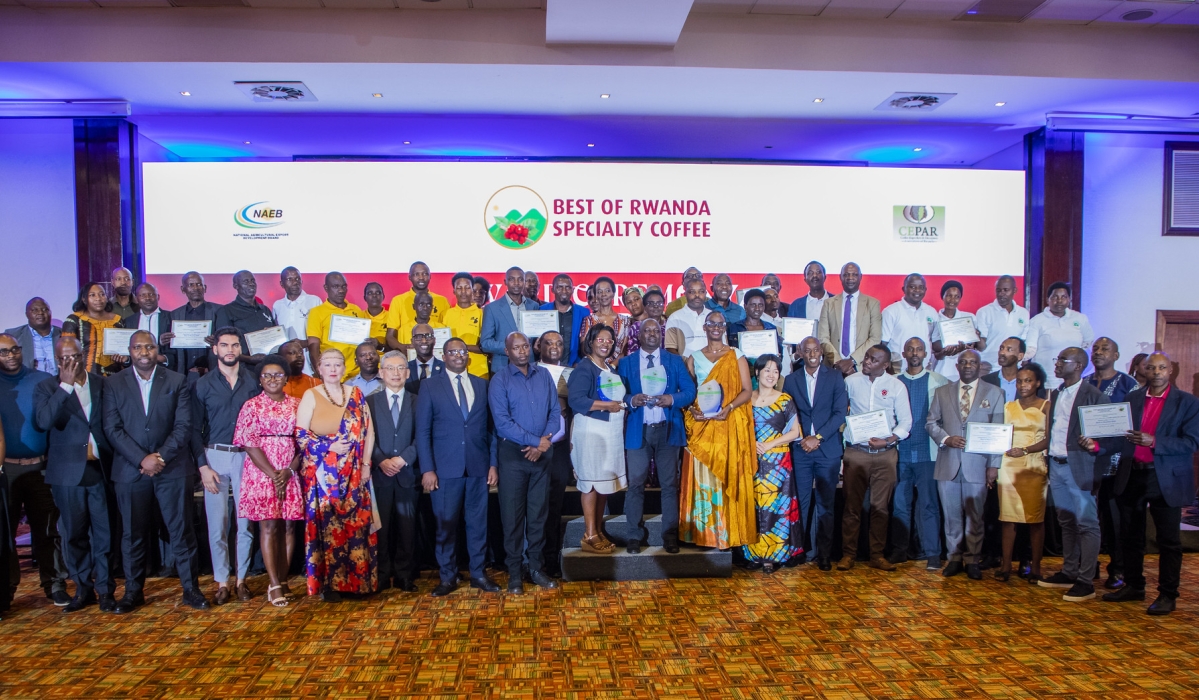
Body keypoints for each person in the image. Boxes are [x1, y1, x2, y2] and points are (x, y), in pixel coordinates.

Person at [102, 330, 207, 613]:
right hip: (130, 471)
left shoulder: (177, 380)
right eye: (138, 347)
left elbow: (184, 426)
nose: (144, 352)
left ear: (157, 349)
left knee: (182, 531)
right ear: (130, 351)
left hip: (171, 468)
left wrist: (158, 456)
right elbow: (112, 429)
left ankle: (191, 589)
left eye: (149, 347)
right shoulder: (113, 384)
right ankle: (133, 592)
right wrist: (141, 459)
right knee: (132, 535)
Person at [1104, 352, 1199, 616]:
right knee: (1131, 536)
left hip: (1164, 477)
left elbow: (1192, 442)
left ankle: (1168, 595)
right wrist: (1097, 445)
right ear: (1143, 370)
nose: (1156, 372)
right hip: (1132, 473)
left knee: (1168, 540)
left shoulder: (1188, 402)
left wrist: (1153, 441)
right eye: (1151, 368)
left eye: (1161, 368)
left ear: (1171, 370)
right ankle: (1134, 586)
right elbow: (1120, 437)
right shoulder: (1131, 398)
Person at [34, 337, 116, 612]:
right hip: (68, 475)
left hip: (100, 470)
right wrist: (65, 386)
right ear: (57, 361)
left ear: (84, 356)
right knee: (74, 535)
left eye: (76, 356)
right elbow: (44, 422)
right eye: (65, 358)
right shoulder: (46, 387)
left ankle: (105, 590)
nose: (71, 362)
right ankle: (83, 589)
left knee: (103, 534)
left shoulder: (102, 383)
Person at [415, 338, 498, 596]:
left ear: (468, 357)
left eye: (463, 351)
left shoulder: (482, 386)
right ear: (444, 355)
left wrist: (493, 464)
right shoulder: (429, 386)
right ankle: (448, 577)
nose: (459, 355)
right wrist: (427, 469)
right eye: (453, 352)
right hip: (444, 470)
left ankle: (478, 574)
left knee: (477, 525)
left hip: (477, 467)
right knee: (446, 525)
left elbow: (491, 431)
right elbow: (423, 431)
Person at [295, 349, 377, 601]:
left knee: (356, 525)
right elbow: (300, 434)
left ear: (344, 368)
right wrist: (328, 446)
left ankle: (358, 583)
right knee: (328, 526)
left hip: (355, 473)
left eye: (338, 364)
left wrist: (365, 465)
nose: (333, 368)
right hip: (323, 475)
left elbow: (369, 432)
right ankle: (331, 585)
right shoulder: (311, 395)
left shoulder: (356, 394)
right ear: (319, 368)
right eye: (327, 364)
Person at [191, 327, 259, 605]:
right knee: (217, 524)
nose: (229, 349)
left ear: (240, 349)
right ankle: (222, 581)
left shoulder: (253, 382)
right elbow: (194, 429)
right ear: (215, 349)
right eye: (224, 345)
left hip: (245, 456)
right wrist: (202, 467)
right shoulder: (202, 384)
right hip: (214, 457)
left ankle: (242, 580)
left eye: (234, 345)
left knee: (244, 524)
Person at [489, 332, 561, 593]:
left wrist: (542, 443)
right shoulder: (499, 380)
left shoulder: (543, 376)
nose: (522, 351)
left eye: (525, 346)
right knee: (513, 517)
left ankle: (536, 568)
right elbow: (502, 423)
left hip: (542, 458)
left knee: (538, 516)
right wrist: (534, 441)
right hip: (513, 457)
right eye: (515, 347)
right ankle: (515, 573)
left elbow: (555, 413)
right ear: (506, 352)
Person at [617, 319, 697, 554]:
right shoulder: (626, 363)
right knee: (636, 485)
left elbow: (690, 392)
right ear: (639, 336)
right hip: (638, 430)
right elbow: (618, 394)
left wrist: (672, 399)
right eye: (646, 330)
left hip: (667, 429)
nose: (651, 334)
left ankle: (669, 535)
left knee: (670, 485)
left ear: (660, 335)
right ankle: (633, 536)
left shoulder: (674, 361)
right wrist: (632, 399)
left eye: (655, 330)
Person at [0, 333, 69, 604]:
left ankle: (55, 585)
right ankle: (5, 592)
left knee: (49, 531)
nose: (11, 355)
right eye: (4, 352)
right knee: (5, 536)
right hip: (6, 471)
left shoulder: (41, 380)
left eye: (15, 349)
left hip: (41, 467)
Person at [1037, 346, 1109, 602]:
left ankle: (1086, 580)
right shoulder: (1055, 393)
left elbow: (1110, 434)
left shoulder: (1093, 395)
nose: (1056, 364)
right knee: (1066, 521)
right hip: (1056, 464)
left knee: (1087, 524)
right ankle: (1069, 571)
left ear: (1078, 365)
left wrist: (1097, 445)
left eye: (1061, 360)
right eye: (1056, 359)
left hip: (1080, 466)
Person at [927, 349, 1006, 580]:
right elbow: (931, 422)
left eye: (973, 362)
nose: (968, 365)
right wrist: (945, 438)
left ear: (980, 366)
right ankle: (954, 558)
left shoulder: (995, 392)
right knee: (951, 516)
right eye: (964, 362)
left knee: (976, 515)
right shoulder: (942, 392)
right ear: (957, 366)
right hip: (948, 462)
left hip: (978, 464)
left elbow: (998, 431)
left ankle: (972, 559)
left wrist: (994, 466)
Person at [680, 310, 757, 549]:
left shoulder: (736, 356)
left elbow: (746, 390)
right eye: (711, 323)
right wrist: (692, 409)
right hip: (703, 425)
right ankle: (704, 535)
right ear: (704, 328)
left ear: (725, 328)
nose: (715, 327)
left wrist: (730, 407)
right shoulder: (693, 357)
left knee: (725, 475)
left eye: (720, 324)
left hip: (726, 424)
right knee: (704, 477)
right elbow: (689, 391)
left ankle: (725, 533)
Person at [232, 355, 303, 608]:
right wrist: (274, 474)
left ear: (286, 378)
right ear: (260, 379)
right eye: (267, 375)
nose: (273, 379)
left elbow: (303, 443)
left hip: (290, 471)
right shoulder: (251, 406)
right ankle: (273, 583)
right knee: (270, 527)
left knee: (289, 527)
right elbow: (249, 443)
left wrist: (289, 471)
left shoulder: (297, 404)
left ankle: (284, 580)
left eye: (278, 375)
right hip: (262, 473)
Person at [839, 344, 911, 572]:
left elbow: (906, 422)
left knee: (880, 507)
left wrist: (889, 440)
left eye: (873, 360)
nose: (867, 361)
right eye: (867, 357)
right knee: (851, 507)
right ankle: (848, 555)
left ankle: (877, 555)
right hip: (856, 453)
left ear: (886, 365)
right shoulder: (850, 382)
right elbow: (841, 411)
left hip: (885, 455)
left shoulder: (896, 386)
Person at [781, 336, 847, 570]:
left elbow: (839, 413)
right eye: (806, 350)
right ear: (800, 352)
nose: (811, 354)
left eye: (815, 350)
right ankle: (801, 551)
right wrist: (802, 438)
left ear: (821, 352)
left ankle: (824, 554)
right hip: (800, 451)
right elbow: (789, 414)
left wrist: (816, 438)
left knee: (826, 504)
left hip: (826, 449)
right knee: (801, 503)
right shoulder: (791, 380)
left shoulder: (835, 377)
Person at [567, 324, 626, 553]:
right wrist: (607, 405)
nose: (605, 343)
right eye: (600, 339)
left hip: (609, 434)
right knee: (591, 484)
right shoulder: (584, 369)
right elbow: (577, 401)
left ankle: (598, 530)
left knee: (603, 485)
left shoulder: (609, 367)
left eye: (609, 340)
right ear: (590, 342)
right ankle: (589, 534)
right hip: (590, 433)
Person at [1085, 336, 1139, 590]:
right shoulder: (1083, 382)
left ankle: (1118, 569)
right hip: (1086, 459)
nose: (1098, 352)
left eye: (1105, 349)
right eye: (1095, 348)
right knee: (1086, 515)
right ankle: (1088, 565)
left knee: (1115, 519)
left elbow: (1135, 422)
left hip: (1116, 461)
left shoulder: (1129, 385)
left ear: (1116, 356)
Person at [890, 337, 949, 569]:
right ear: (903, 354)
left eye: (919, 349)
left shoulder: (939, 381)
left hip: (928, 453)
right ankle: (899, 551)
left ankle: (933, 552)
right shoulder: (894, 382)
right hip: (900, 453)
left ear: (926, 354)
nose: (915, 353)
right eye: (910, 349)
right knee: (900, 505)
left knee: (929, 504)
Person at [741, 354, 803, 573]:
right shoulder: (746, 399)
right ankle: (754, 554)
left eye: (775, 371)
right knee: (754, 507)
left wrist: (768, 445)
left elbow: (796, 432)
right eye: (767, 370)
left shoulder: (785, 399)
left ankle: (773, 556)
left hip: (778, 462)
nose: (771, 375)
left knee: (776, 509)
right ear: (757, 372)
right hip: (751, 461)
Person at [364, 351, 420, 593]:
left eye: (400, 369)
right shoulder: (369, 402)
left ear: (407, 373)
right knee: (382, 528)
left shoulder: (418, 401)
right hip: (380, 475)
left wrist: (404, 458)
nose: (396, 373)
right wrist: (381, 460)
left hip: (408, 474)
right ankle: (382, 574)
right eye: (390, 368)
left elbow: (423, 436)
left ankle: (404, 575)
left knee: (407, 529)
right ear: (381, 372)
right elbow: (364, 436)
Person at [997, 363, 1050, 583]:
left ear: (1038, 382)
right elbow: (999, 434)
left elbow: (1050, 438)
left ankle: (1035, 567)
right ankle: (1006, 565)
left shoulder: (1046, 405)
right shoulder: (1008, 406)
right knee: (1008, 519)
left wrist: (1026, 449)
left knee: (1035, 520)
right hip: (1008, 466)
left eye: (1028, 380)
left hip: (1034, 466)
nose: (1023, 385)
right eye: (1019, 381)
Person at [536, 330, 572, 576]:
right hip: (534, 447)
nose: (554, 347)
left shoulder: (570, 373)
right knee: (535, 506)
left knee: (555, 506)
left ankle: (550, 560)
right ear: (539, 346)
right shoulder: (530, 371)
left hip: (559, 448)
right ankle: (533, 560)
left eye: (558, 343)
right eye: (548, 342)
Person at [817, 262, 882, 376]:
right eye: (846, 274)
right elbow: (823, 337)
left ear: (860, 277)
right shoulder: (828, 304)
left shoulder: (872, 304)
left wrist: (852, 361)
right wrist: (838, 362)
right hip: (833, 368)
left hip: (861, 367)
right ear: (840, 277)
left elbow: (875, 338)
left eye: (854, 275)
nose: (850, 278)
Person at [1026, 282, 1094, 390]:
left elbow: (1088, 342)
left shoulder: (1080, 319)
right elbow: (1030, 349)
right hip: (1047, 382)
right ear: (1048, 299)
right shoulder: (1037, 321)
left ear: (1069, 299)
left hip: (1073, 382)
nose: (1059, 301)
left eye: (1064, 297)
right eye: (1055, 297)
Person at [306, 272, 370, 379]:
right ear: (326, 288)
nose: (341, 290)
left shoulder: (356, 310)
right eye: (335, 286)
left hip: (358, 374)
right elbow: (313, 345)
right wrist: (320, 372)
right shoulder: (316, 312)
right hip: (333, 374)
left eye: (343, 286)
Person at [481, 267, 540, 373]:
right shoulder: (492, 308)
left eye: (520, 279)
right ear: (505, 282)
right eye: (512, 279)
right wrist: (513, 348)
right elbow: (485, 343)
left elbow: (535, 338)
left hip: (529, 367)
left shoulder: (534, 306)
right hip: (502, 367)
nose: (516, 283)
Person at [213, 271, 277, 365]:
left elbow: (274, 335)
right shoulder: (226, 311)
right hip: (243, 369)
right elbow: (223, 346)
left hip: (267, 367)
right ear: (236, 286)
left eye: (253, 281)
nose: (251, 284)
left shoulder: (265, 309)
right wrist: (249, 359)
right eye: (246, 281)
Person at [881, 273, 939, 374]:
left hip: (925, 370)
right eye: (912, 287)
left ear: (925, 290)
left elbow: (936, 343)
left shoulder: (931, 312)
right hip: (897, 371)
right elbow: (883, 344)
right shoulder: (891, 311)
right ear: (904, 289)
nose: (917, 290)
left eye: (921, 287)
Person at [167, 272, 221, 379]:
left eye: (199, 284)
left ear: (205, 288)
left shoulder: (219, 311)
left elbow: (227, 337)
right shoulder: (174, 314)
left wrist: (217, 340)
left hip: (212, 373)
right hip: (185, 375)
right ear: (183, 289)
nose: (196, 288)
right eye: (191, 285)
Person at [386, 262, 449, 350]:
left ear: (430, 276)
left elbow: (445, 333)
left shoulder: (442, 300)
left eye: (425, 274)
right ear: (410, 277)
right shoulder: (398, 300)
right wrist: (405, 349)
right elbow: (390, 336)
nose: (421, 277)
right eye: (416, 274)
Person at [63, 282, 122, 376]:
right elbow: (66, 352)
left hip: (115, 376)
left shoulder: (118, 320)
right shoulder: (74, 320)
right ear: (84, 299)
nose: (98, 298)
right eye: (92, 295)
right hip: (84, 375)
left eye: (102, 294)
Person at [974, 275, 1028, 373]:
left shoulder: (1023, 313)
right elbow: (982, 347)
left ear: (1015, 290)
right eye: (998, 290)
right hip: (989, 369)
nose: (1001, 294)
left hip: (1014, 370)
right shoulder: (984, 312)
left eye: (1005, 290)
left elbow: (1023, 343)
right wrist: (975, 338)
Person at [931, 280, 982, 382]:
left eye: (957, 296)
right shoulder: (935, 318)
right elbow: (935, 344)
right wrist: (950, 347)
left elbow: (976, 344)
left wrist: (975, 338)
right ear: (943, 296)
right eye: (949, 295)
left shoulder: (969, 317)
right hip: (942, 371)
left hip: (965, 371)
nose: (952, 300)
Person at [116, 283, 174, 370]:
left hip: (164, 370)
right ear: (137, 298)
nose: (147, 298)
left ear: (158, 297)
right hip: (137, 371)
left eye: (151, 294)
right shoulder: (129, 321)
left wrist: (163, 358)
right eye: (143, 295)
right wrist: (126, 360)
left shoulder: (171, 317)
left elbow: (178, 351)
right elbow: (128, 350)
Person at [443, 272, 487, 378]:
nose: (463, 292)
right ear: (453, 290)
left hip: (478, 371)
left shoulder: (482, 313)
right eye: (459, 288)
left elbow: (486, 345)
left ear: (472, 290)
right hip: (451, 371)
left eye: (467, 288)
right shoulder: (446, 314)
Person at [540, 273, 590, 367]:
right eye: (559, 287)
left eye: (568, 287)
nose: (564, 291)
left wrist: (579, 363)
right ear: (552, 289)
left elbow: (585, 344)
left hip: (574, 367)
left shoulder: (584, 312)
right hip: (547, 367)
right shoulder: (542, 310)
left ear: (572, 290)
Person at [579, 277, 632, 359]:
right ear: (596, 295)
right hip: (594, 368)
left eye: (607, 291)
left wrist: (613, 366)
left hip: (617, 369)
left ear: (613, 293)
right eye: (600, 292)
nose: (603, 294)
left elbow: (624, 351)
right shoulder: (588, 320)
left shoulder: (625, 321)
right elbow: (585, 349)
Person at [6, 297, 61, 373]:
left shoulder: (64, 335)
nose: (40, 313)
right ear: (27, 314)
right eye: (35, 310)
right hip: (28, 382)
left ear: (50, 313)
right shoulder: (12, 336)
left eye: (45, 309)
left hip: (59, 382)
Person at [272, 267, 322, 349]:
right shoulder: (277, 305)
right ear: (282, 284)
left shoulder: (314, 301)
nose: (295, 282)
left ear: (302, 281)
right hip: (285, 358)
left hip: (309, 357)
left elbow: (323, 330)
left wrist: (305, 342)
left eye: (297, 278)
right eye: (289, 279)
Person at [726, 289, 780, 360]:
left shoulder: (771, 328)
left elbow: (779, 356)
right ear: (745, 306)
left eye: (760, 305)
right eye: (753, 305)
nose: (757, 308)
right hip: (741, 369)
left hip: (765, 369)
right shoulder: (734, 328)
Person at [665, 278, 711, 357]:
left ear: (706, 293)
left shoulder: (713, 316)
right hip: (685, 367)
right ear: (685, 294)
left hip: (712, 367)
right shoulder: (675, 318)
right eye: (692, 292)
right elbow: (670, 348)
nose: (697, 295)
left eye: (701, 291)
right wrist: (685, 364)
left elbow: (722, 345)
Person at [982, 337, 1035, 404]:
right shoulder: (986, 381)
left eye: (1009, 349)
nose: (1002, 352)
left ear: (1020, 356)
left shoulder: (1031, 383)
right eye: (1001, 348)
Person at [406, 324, 446, 394]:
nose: (424, 341)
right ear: (412, 341)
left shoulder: (445, 368)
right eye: (418, 337)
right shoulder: (405, 368)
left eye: (428, 336)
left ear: (434, 340)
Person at [623, 286, 647, 355]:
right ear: (626, 306)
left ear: (643, 299)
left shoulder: (656, 320)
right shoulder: (626, 325)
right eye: (629, 302)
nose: (633, 304)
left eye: (636, 299)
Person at [363, 282, 388, 347]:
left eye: (378, 293)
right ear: (364, 297)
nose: (374, 295)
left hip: (386, 356)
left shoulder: (392, 317)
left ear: (383, 296)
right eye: (370, 293)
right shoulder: (359, 316)